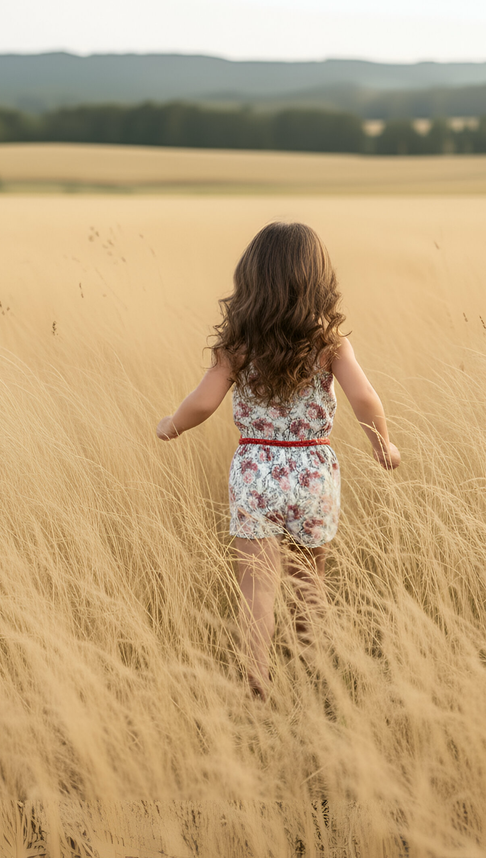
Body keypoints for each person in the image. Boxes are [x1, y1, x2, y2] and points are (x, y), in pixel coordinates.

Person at [157, 222, 400, 700]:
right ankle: (316, 670)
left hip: (255, 473)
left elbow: (202, 403)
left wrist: (173, 424)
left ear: (251, 281)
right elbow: (365, 399)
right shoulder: (330, 344)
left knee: (257, 586)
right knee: (310, 578)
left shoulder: (238, 347)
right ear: (318, 280)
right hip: (312, 471)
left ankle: (255, 679)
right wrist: (382, 445)